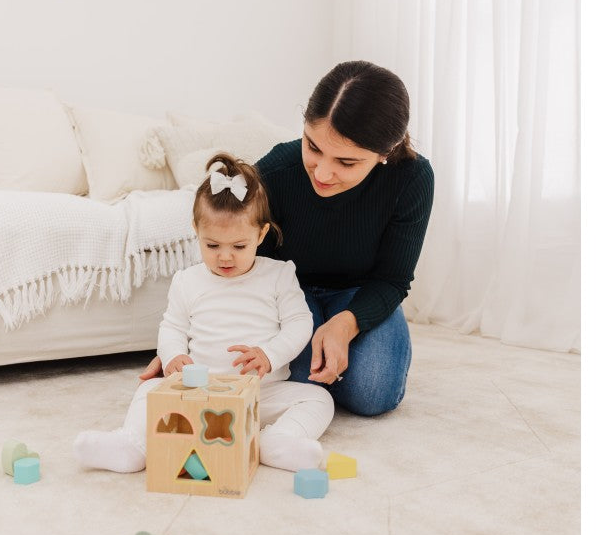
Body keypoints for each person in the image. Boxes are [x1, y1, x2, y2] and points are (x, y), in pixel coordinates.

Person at [140, 60, 434, 417]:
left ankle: (348, 359)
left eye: (346, 162)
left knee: (373, 393)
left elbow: (392, 279)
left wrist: (347, 323)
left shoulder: (412, 179)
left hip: (362, 290)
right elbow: (233, 255)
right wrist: (184, 350)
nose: (323, 173)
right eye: (313, 147)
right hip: (287, 292)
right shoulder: (277, 170)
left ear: (383, 155)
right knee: (283, 377)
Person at [73, 152, 335, 474]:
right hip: (196, 392)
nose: (225, 257)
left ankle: (277, 440)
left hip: (258, 391)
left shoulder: (279, 275)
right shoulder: (187, 280)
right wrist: (172, 357)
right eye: (212, 246)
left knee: (318, 399)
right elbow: (172, 327)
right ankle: (133, 446)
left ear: (261, 234)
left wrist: (269, 354)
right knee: (147, 390)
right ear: (196, 230)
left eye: (239, 246)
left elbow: (299, 323)